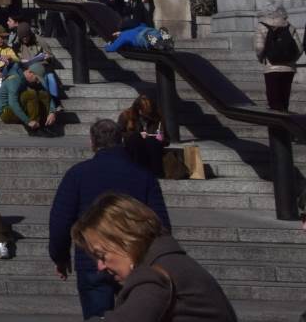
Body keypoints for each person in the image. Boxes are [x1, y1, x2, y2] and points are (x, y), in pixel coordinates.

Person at [49, 119, 172, 319]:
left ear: (92, 142)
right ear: (120, 140)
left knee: (98, 316)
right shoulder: (143, 175)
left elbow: (60, 222)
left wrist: (60, 257)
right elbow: (160, 224)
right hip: (134, 259)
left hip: (93, 260)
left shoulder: (77, 174)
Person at [70, 193, 236, 322]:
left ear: (125, 239)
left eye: (101, 255)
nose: (100, 266)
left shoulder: (154, 274)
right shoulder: (170, 261)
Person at [254, 2, 297, 111]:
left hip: (271, 68)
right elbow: (299, 47)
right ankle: (285, 118)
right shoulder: (289, 26)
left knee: (274, 102)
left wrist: (261, 59)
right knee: (284, 100)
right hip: (289, 68)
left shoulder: (261, 26)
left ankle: (276, 121)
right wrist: (292, 59)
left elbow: (259, 47)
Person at [0, 64, 60, 134]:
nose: (38, 81)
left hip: (19, 110)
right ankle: (34, 127)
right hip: (6, 113)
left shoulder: (27, 79)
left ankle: (45, 124)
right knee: (30, 94)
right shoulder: (14, 80)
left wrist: (52, 112)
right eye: (37, 78)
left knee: (43, 93)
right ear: (30, 73)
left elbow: (47, 94)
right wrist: (28, 121)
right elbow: (13, 103)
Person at [116, 94, 167, 178]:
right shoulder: (126, 115)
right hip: (133, 148)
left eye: (149, 113)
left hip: (151, 149)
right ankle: (136, 170)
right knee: (135, 138)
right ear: (138, 109)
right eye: (145, 112)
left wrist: (161, 138)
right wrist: (138, 135)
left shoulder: (157, 117)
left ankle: (156, 173)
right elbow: (119, 134)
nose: (147, 115)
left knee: (153, 142)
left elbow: (167, 140)